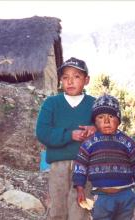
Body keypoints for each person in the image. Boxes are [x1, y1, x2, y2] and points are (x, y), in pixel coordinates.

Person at [36, 57, 96, 220]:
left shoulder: (95, 104)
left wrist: (95, 129)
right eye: (65, 77)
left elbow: (108, 130)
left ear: (86, 80)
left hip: (85, 165)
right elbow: (42, 132)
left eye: (76, 76)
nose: (70, 81)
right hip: (58, 165)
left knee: (80, 207)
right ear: (60, 80)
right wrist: (70, 135)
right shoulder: (52, 103)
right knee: (57, 207)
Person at [73, 94, 135, 220]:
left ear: (118, 119)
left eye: (111, 116)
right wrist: (80, 189)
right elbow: (80, 168)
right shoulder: (88, 143)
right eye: (101, 117)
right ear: (95, 121)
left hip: (126, 196)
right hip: (102, 197)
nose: (106, 121)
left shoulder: (128, 142)